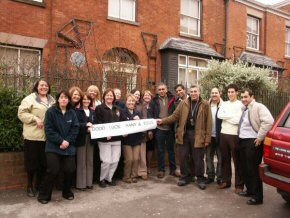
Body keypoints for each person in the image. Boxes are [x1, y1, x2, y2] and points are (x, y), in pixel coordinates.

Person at [157, 85, 212, 189]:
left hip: (198, 135)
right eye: (191, 91)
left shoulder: (205, 104)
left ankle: (200, 178)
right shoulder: (184, 103)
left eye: (195, 91)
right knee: (183, 156)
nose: (193, 93)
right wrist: (163, 121)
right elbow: (174, 116)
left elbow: (209, 122)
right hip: (185, 134)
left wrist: (207, 138)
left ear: (199, 92)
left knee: (198, 158)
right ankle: (185, 177)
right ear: (189, 92)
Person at [37, 91, 79, 204]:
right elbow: (49, 130)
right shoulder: (51, 112)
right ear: (58, 99)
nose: (64, 99)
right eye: (62, 97)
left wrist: (67, 141)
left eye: (66, 98)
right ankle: (44, 195)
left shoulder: (72, 113)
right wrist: (60, 141)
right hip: (53, 147)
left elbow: (75, 129)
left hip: (68, 146)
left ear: (69, 100)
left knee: (70, 169)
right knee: (52, 170)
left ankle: (67, 192)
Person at [18, 80, 55, 197]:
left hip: (47, 138)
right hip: (33, 137)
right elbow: (21, 113)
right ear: (37, 87)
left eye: (46, 85)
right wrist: (35, 118)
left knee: (44, 163)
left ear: (49, 88)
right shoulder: (29, 99)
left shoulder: (52, 100)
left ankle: (39, 185)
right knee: (31, 163)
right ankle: (29, 186)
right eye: (41, 85)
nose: (44, 87)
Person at [238, 88, 274, 205]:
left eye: (246, 97)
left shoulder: (258, 107)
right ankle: (249, 190)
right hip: (243, 141)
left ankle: (258, 197)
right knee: (245, 168)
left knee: (253, 170)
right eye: (242, 97)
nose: (243, 99)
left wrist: (259, 137)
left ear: (252, 97)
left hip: (253, 142)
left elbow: (269, 121)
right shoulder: (245, 108)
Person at [95, 88, 125, 188]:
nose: (109, 97)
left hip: (117, 139)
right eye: (107, 95)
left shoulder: (117, 109)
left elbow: (123, 122)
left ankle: (109, 178)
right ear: (104, 97)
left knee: (115, 160)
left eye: (111, 95)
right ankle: (102, 179)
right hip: (105, 139)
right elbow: (98, 122)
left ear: (114, 98)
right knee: (106, 161)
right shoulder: (99, 108)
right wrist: (105, 133)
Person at [217, 84, 243, 193]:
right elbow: (219, 115)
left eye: (232, 92)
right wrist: (232, 116)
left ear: (237, 92)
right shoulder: (224, 103)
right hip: (223, 134)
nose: (230, 94)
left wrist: (227, 116)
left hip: (234, 135)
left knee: (237, 161)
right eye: (228, 92)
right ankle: (226, 181)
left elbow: (238, 120)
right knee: (225, 159)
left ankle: (239, 185)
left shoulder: (241, 104)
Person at [151, 83, 179, 178]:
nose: (161, 91)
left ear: (166, 90)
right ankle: (161, 170)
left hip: (170, 128)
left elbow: (176, 113)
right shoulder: (154, 101)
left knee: (171, 150)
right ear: (157, 91)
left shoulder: (173, 99)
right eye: (160, 89)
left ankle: (173, 169)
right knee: (160, 150)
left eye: (163, 89)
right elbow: (152, 114)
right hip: (159, 129)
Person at [75, 93, 97, 190]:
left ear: (90, 101)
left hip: (91, 138)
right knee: (81, 161)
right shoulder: (77, 111)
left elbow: (96, 123)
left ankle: (89, 182)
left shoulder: (92, 111)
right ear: (81, 101)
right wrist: (85, 126)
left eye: (88, 100)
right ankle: (81, 184)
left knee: (90, 160)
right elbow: (76, 124)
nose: (86, 101)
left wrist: (93, 127)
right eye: (84, 99)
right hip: (81, 138)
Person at [122, 94, 143, 183]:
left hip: (137, 139)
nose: (131, 102)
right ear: (126, 102)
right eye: (129, 101)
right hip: (127, 139)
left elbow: (143, 125)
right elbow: (121, 124)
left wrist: (139, 120)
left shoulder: (138, 112)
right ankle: (126, 177)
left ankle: (134, 176)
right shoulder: (122, 112)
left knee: (136, 159)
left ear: (135, 103)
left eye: (132, 101)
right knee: (129, 159)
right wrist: (132, 119)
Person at [205, 88, 223, 185]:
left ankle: (219, 177)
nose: (214, 94)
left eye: (216, 93)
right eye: (212, 93)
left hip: (220, 136)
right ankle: (210, 176)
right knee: (208, 157)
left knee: (221, 158)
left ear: (220, 94)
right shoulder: (206, 105)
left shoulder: (224, 105)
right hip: (209, 136)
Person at [139, 90, 154, 177]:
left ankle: (148, 167)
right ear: (143, 97)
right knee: (143, 150)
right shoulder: (141, 105)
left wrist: (151, 130)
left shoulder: (153, 106)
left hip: (152, 130)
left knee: (150, 149)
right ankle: (143, 168)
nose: (147, 97)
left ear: (151, 97)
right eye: (145, 95)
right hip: (143, 131)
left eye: (149, 95)